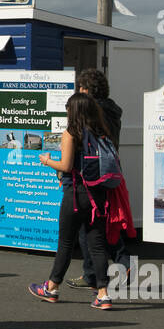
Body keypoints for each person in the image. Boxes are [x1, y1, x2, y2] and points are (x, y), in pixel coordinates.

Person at [30, 93, 116, 308]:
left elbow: (67, 166)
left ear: (74, 111)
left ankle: (51, 287)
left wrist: (48, 160)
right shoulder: (102, 133)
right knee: (97, 244)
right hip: (98, 195)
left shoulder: (71, 134)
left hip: (76, 194)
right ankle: (103, 293)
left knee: (66, 242)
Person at [67, 68, 127, 291]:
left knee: (88, 226)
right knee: (105, 220)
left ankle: (93, 274)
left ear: (88, 90)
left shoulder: (93, 112)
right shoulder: (114, 110)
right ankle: (121, 263)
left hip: (92, 173)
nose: (79, 92)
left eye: (82, 88)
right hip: (111, 169)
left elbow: (83, 140)